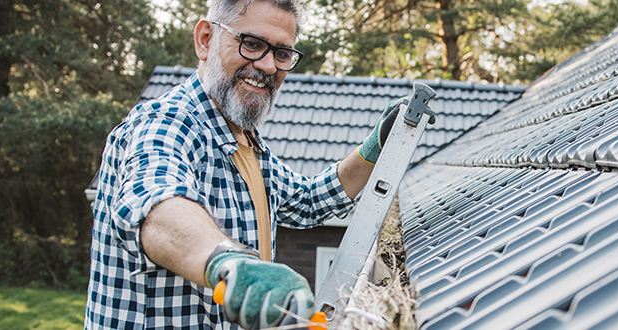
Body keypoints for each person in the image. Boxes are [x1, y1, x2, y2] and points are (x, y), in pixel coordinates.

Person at [84, 0, 411, 328]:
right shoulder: (166, 124)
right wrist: (228, 262)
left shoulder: (248, 144)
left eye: (282, 53)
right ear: (205, 40)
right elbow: (155, 203)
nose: (268, 65)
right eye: (252, 44)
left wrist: (374, 149)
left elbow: (308, 201)